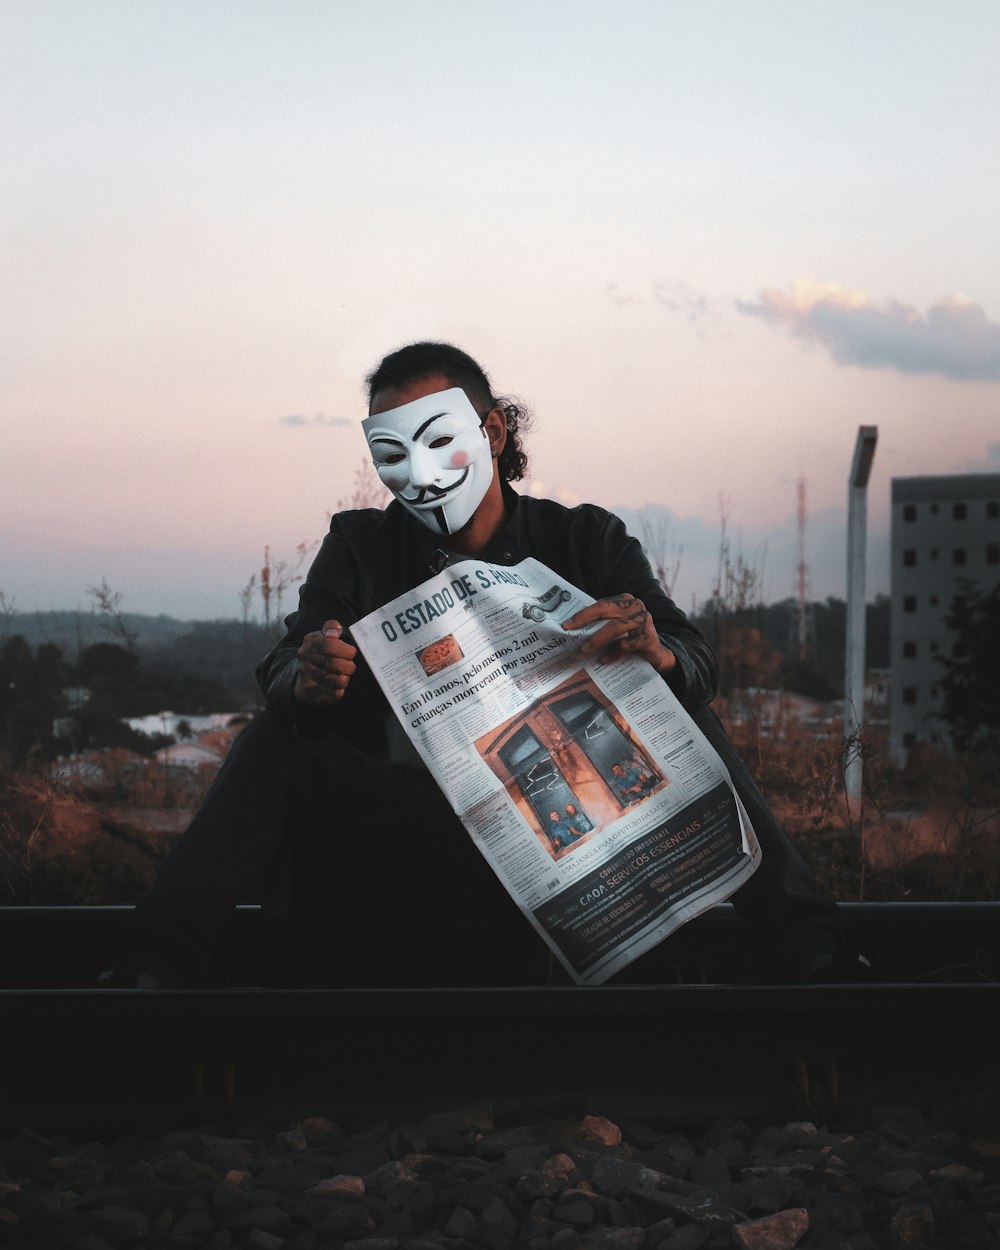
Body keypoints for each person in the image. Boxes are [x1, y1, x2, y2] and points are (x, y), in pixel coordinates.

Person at [102, 341, 861, 989]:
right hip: (406, 797)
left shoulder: (586, 540)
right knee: (273, 739)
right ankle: (155, 966)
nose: (418, 475)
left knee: (687, 712)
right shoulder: (361, 545)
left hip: (566, 795)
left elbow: (694, 661)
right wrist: (306, 678)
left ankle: (808, 943)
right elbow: (284, 667)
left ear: (492, 431)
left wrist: (654, 649)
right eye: (390, 454)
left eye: (439, 441)